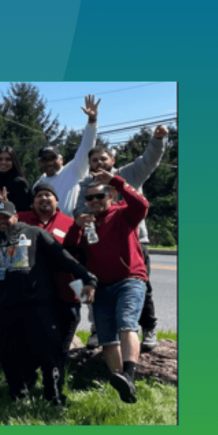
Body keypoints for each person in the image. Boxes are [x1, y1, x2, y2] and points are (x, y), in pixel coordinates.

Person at [0, 200, 97, 405]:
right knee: (6, 351)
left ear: (16, 217)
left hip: (38, 306)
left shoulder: (35, 233)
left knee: (48, 355)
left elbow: (63, 258)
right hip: (6, 309)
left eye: (6, 216)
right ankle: (18, 393)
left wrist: (88, 278)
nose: (2, 221)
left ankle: (55, 397)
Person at [73, 125, 169, 351]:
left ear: (112, 159)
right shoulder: (86, 185)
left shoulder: (128, 174)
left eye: (103, 159)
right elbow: (78, 210)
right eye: (94, 160)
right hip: (98, 244)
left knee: (141, 286)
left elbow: (150, 159)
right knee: (97, 287)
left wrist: (157, 140)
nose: (99, 163)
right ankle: (98, 330)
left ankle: (148, 327)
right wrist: (82, 217)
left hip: (133, 241)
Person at [64, 169, 151, 404]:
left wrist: (115, 181)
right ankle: (121, 385)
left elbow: (142, 205)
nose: (94, 201)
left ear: (110, 197)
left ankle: (129, 376)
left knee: (126, 323)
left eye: (99, 196)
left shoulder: (124, 214)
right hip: (100, 287)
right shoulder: (87, 224)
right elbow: (70, 253)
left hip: (129, 280)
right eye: (89, 198)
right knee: (107, 339)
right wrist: (76, 227)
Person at [15, 181, 83, 400]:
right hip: (35, 297)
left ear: (57, 200)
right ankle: (29, 382)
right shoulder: (22, 220)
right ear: (33, 202)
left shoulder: (70, 223)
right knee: (34, 344)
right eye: (39, 196)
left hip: (66, 295)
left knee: (60, 347)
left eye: (48, 195)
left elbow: (81, 258)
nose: (44, 199)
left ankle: (54, 389)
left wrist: (86, 288)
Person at [33, 94, 101, 212]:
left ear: (61, 160)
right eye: (44, 159)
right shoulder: (38, 184)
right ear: (40, 163)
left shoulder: (73, 170)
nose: (49, 163)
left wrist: (92, 121)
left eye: (52, 158)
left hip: (73, 227)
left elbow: (86, 147)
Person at [0, 146, 32, 214]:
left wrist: (6, 206)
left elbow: (25, 212)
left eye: (8, 159)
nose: (3, 162)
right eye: (0, 159)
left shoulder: (19, 183)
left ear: (14, 162)